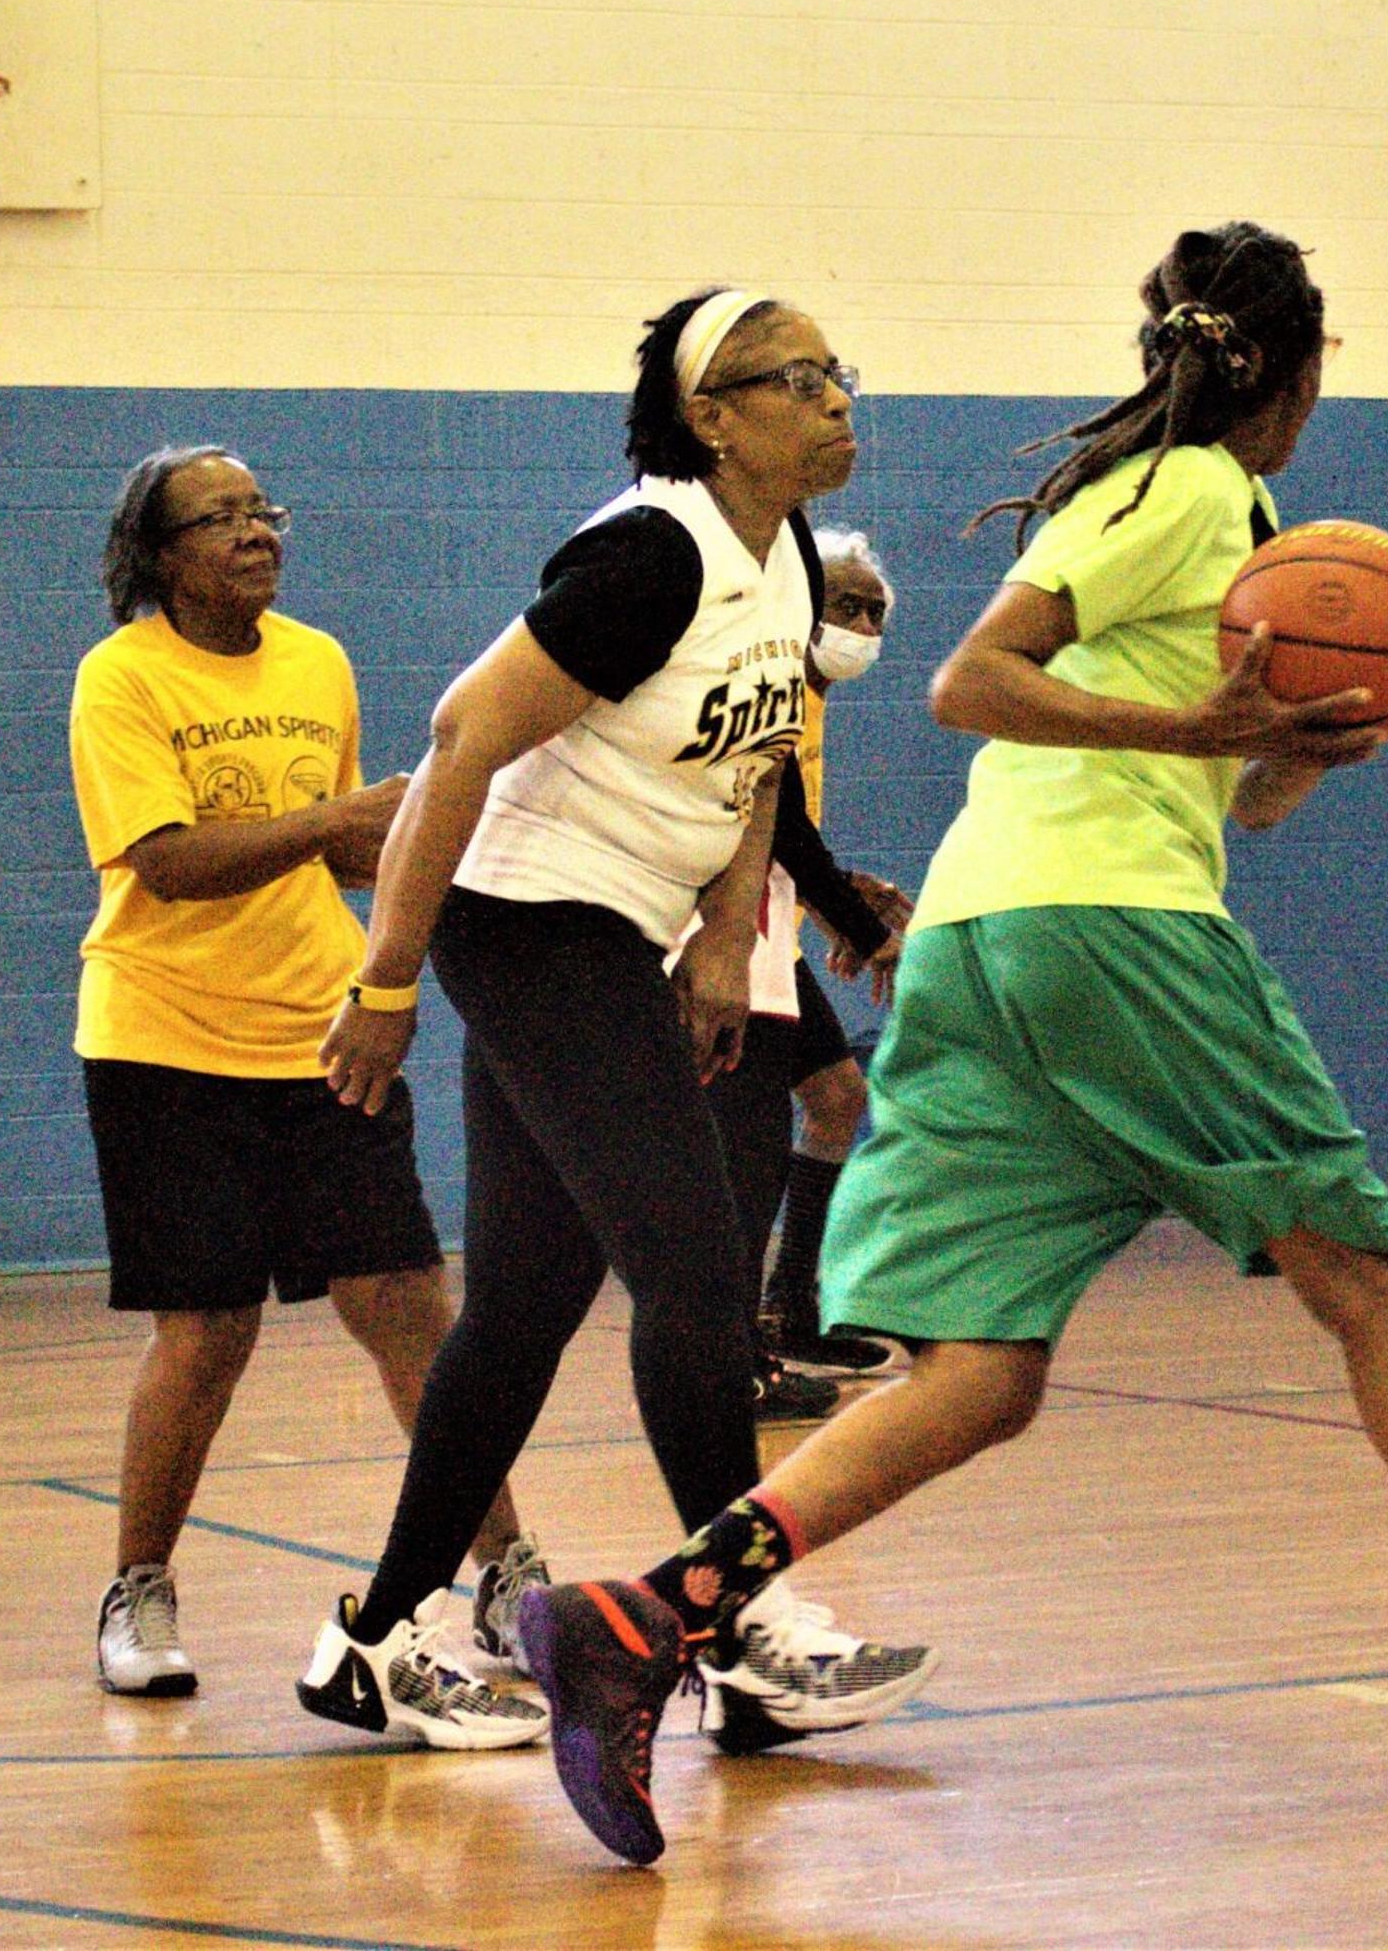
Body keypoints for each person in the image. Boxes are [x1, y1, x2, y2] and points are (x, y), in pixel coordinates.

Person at [512, 222, 1388, 1867]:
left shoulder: (1152, 502)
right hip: (1113, 932)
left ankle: (647, 1618)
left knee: (985, 1374)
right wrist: (1198, 727)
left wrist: (1287, 746)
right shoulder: (1197, 492)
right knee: (1380, 1287)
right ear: (1295, 370)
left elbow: (1227, 777)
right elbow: (971, 681)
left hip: (993, 950)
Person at [299, 291, 935, 1753]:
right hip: (524, 922)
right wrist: (385, 980)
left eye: (842, 371)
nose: (839, 399)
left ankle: (376, 1638)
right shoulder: (648, 555)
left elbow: (760, 752)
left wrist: (726, 935)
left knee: (522, 1304)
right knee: (699, 1272)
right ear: (711, 413)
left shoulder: (780, 557)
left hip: (618, 932)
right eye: (800, 378)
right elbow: (460, 737)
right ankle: (736, 1626)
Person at [68, 447, 547, 1709]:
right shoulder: (120, 678)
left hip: (320, 1031)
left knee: (407, 1299)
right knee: (207, 1326)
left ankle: (504, 1568)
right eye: (218, 518)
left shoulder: (318, 659)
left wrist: (398, 852)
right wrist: (333, 826)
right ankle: (140, 1585)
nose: (252, 532)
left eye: (261, 511)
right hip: (164, 1038)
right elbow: (165, 862)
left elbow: (322, 846)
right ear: (159, 553)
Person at [746, 527, 916, 1383]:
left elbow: (787, 835)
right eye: (842, 603)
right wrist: (857, 921)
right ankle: (737, 1340)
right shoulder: (768, 675)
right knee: (748, 1132)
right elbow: (767, 824)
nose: (857, 621)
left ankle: (786, 1309)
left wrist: (840, 897)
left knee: (837, 1097)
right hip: (713, 940)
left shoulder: (814, 700)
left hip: (766, 926)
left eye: (874, 612)